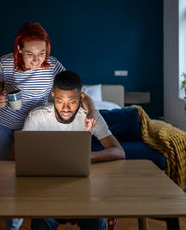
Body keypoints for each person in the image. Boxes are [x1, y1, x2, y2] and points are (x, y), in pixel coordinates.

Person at [0, 23, 97, 230]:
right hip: (2, 124)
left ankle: (36, 213)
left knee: (32, 173)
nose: (37, 60)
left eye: (42, 52)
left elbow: (75, 92)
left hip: (33, 125)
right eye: (30, 54)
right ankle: (12, 223)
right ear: (19, 49)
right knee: (6, 175)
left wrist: (91, 112)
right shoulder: (4, 63)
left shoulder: (53, 65)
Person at [22, 70, 126, 230]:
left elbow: (119, 152)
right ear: (52, 96)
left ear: (81, 97)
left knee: (97, 224)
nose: (65, 108)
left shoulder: (90, 116)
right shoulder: (37, 117)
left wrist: (88, 156)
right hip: (47, 190)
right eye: (59, 101)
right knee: (41, 222)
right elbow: (20, 154)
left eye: (72, 101)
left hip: (84, 191)